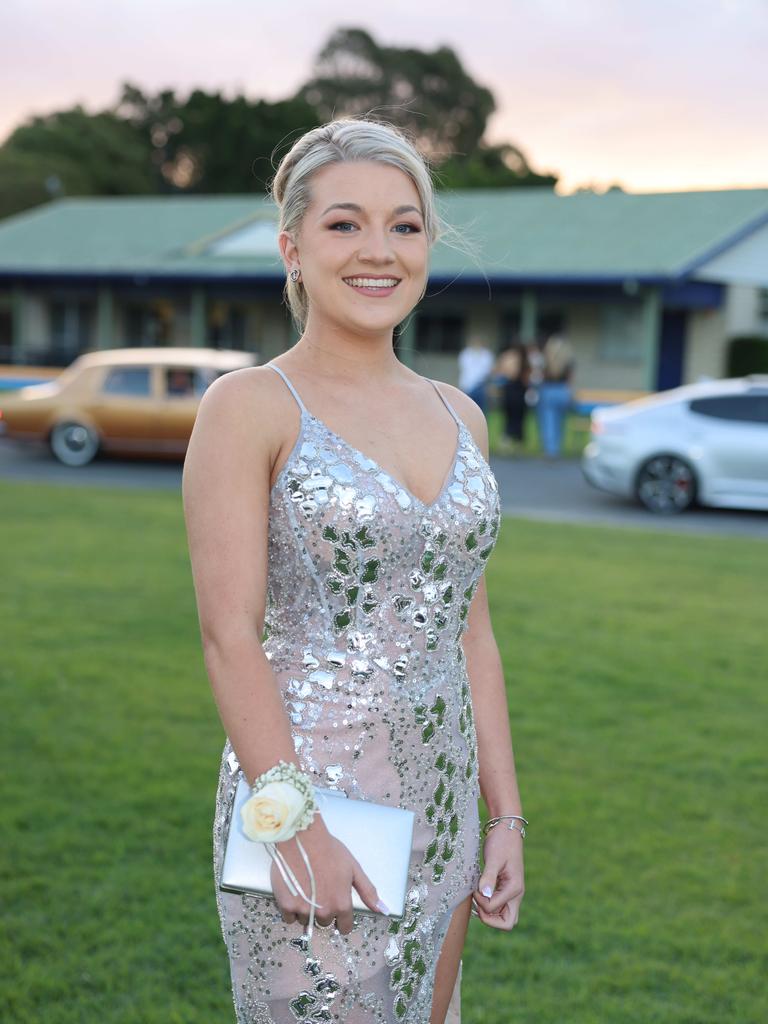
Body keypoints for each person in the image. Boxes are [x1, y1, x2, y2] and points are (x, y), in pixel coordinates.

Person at [182, 117, 525, 1024]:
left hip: (443, 801)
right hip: (305, 797)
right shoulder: (250, 405)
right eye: (345, 224)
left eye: (404, 225)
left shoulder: (463, 416)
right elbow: (228, 637)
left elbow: (472, 633)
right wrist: (296, 824)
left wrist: (506, 818)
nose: (379, 251)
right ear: (292, 245)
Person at [535, 335, 575, 458]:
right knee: (560, 421)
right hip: (563, 390)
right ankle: (557, 448)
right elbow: (570, 380)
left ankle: (550, 450)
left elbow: (539, 376)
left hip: (548, 389)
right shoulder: (567, 360)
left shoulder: (545, 359)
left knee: (548, 421)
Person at [494, 343, 530, 454]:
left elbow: (504, 373)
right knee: (518, 419)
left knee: (510, 418)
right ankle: (517, 443)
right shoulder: (526, 362)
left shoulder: (510, 359)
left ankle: (508, 441)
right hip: (519, 394)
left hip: (511, 393)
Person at [457, 337, 494, 414]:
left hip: (480, 385)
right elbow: (464, 369)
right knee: (467, 409)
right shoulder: (465, 354)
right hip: (468, 385)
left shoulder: (486, 355)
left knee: (481, 410)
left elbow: (487, 371)